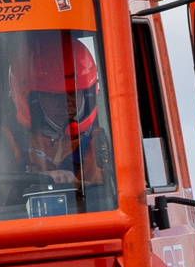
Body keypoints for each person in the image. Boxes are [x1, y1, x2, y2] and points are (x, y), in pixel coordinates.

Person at [7, 33, 115, 208]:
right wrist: (43, 183)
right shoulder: (7, 139)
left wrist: (78, 186)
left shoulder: (103, 137)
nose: (67, 103)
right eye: (54, 96)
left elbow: (112, 200)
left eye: (74, 93)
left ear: (88, 92)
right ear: (29, 98)